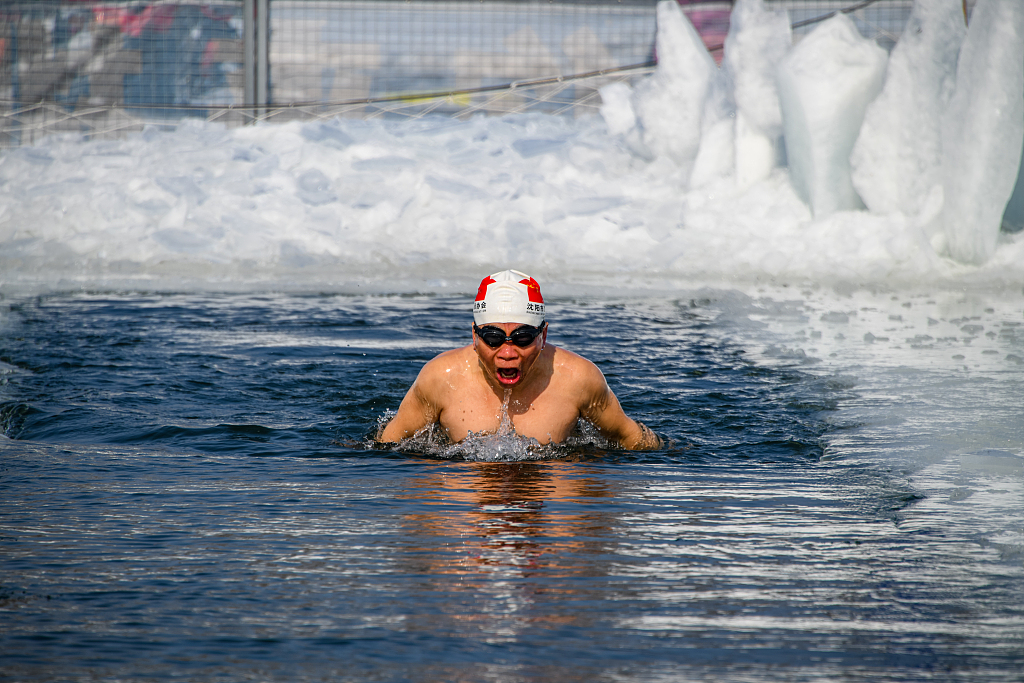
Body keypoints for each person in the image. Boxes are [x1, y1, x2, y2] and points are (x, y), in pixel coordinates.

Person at [377, 270, 661, 450]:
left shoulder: (578, 379)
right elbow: (386, 449)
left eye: (523, 337)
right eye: (493, 337)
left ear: (543, 335)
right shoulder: (441, 378)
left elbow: (632, 440)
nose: (508, 352)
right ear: (474, 336)